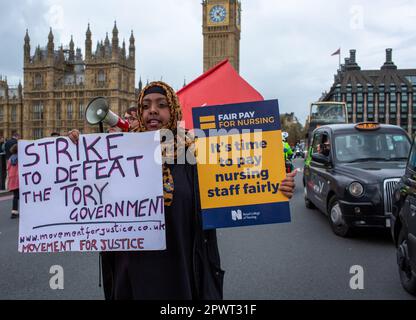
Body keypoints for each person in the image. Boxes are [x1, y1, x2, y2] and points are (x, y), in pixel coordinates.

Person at [68, 81, 297, 300]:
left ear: (174, 110)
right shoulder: (118, 154)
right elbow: (86, 192)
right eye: (145, 106)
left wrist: (277, 187)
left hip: (180, 269)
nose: (152, 111)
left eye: (161, 104)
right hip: (131, 271)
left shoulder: (196, 154)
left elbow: (239, 182)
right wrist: (73, 152)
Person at [7, 144, 19, 219]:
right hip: (18, 178)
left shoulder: (10, 159)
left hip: (12, 178)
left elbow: (8, 168)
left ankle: (14, 212)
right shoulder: (21, 158)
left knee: (15, 196)